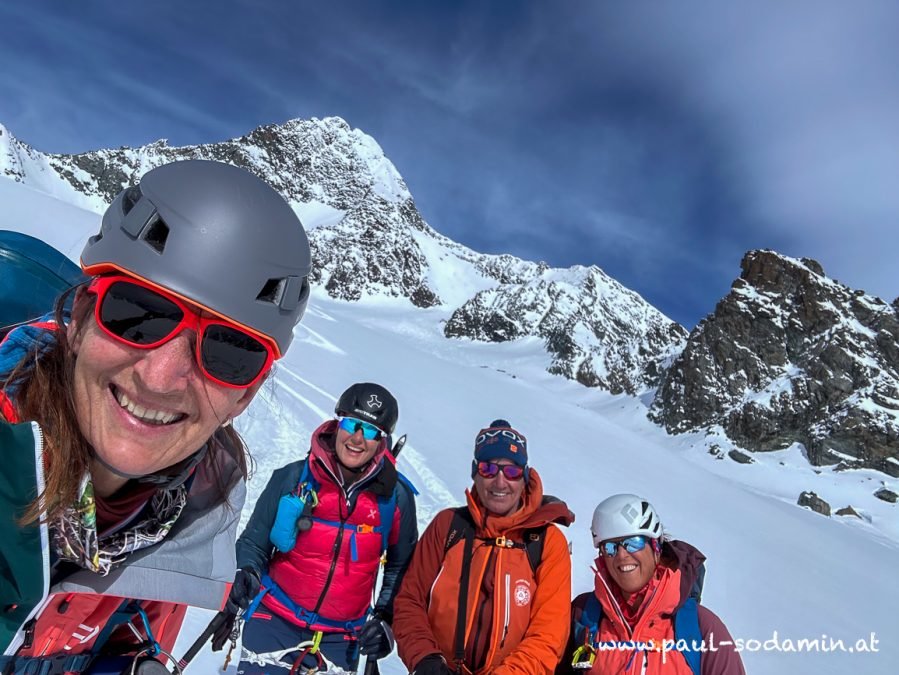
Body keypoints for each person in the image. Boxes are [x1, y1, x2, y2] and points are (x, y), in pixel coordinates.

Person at [0, 159, 311, 673]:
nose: (161, 377)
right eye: (138, 315)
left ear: (244, 397)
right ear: (78, 319)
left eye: (229, 352)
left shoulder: (178, 530)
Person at [227, 382, 418, 674]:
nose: (357, 438)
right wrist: (247, 572)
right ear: (336, 423)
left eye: (369, 431)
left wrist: (385, 619)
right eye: (351, 424)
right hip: (274, 622)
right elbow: (254, 543)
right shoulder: (292, 477)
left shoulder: (395, 499)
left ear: (382, 441)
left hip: (342, 641)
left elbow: (400, 568)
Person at [393, 419, 574, 675]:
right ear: (475, 472)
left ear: (525, 477)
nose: (500, 482)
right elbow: (410, 600)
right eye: (489, 469)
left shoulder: (546, 542)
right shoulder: (449, 526)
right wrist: (425, 659)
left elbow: (548, 635)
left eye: (511, 472)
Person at [559, 494, 745, 675]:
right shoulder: (583, 615)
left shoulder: (702, 627)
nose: (622, 555)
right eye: (610, 547)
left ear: (656, 547)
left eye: (633, 542)